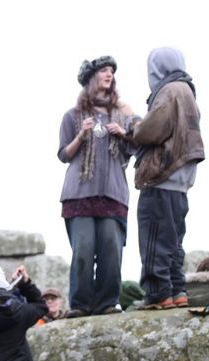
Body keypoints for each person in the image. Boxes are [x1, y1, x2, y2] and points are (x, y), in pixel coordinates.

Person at [57, 55, 137, 318]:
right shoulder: (72, 115)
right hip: (79, 193)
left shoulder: (121, 115)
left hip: (113, 193)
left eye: (111, 71)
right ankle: (80, 304)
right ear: (91, 77)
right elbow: (63, 155)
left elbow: (133, 150)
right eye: (104, 70)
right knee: (83, 249)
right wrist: (81, 134)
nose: (109, 74)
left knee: (111, 251)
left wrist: (123, 133)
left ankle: (106, 303)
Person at [131, 47, 205, 310]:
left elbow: (150, 132)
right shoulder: (188, 91)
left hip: (162, 175)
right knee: (173, 242)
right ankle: (177, 291)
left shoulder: (170, 90)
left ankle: (157, 294)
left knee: (154, 239)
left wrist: (134, 125)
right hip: (180, 182)